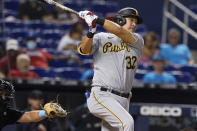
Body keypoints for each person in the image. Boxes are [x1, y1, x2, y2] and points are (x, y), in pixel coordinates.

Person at [78, 7, 144, 131]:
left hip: (124, 99)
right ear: (120, 20)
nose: (135, 24)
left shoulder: (137, 40)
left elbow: (120, 32)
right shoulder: (102, 37)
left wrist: (96, 19)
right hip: (102, 94)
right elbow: (84, 50)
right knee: (127, 123)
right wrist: (91, 30)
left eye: (136, 22)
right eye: (131, 20)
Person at [0, 79, 66, 130]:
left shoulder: (6, 113)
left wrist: (45, 113)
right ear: (29, 100)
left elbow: (29, 116)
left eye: (5, 94)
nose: (4, 97)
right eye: (1, 94)